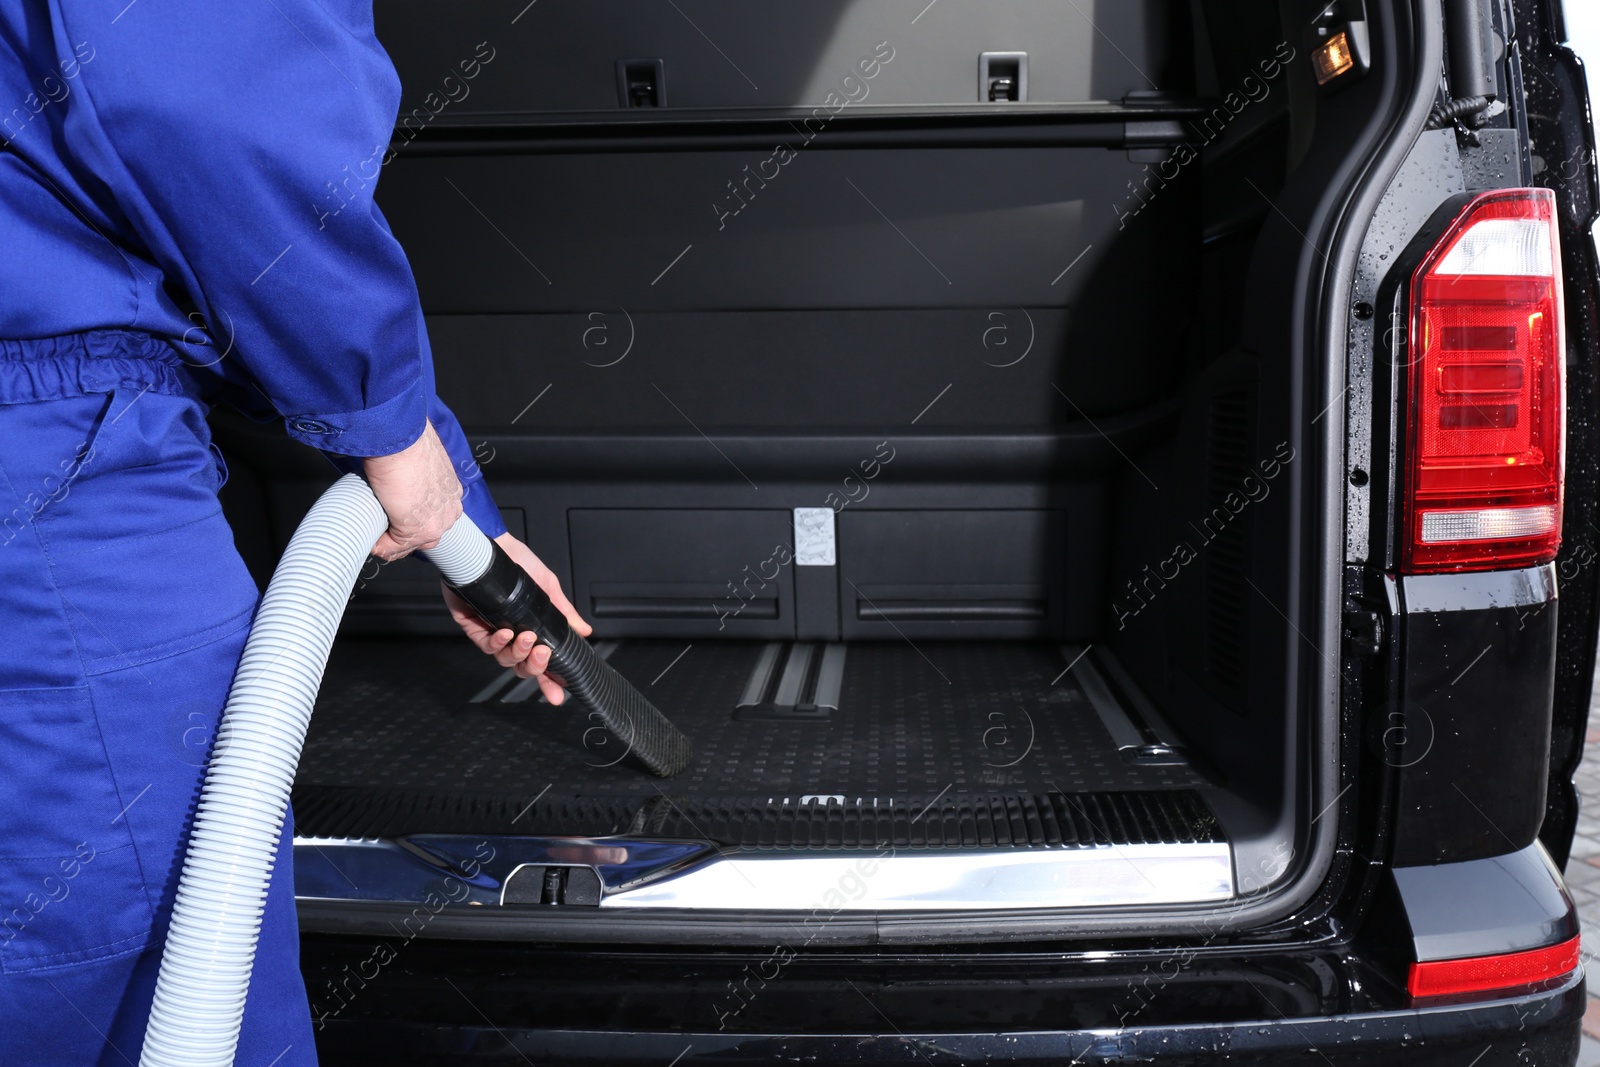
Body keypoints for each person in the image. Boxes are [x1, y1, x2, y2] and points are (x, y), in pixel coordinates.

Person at [0, 2, 588, 1063]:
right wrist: (390, 416)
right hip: (51, 485)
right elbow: (198, 98)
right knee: (131, 978)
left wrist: (443, 487)